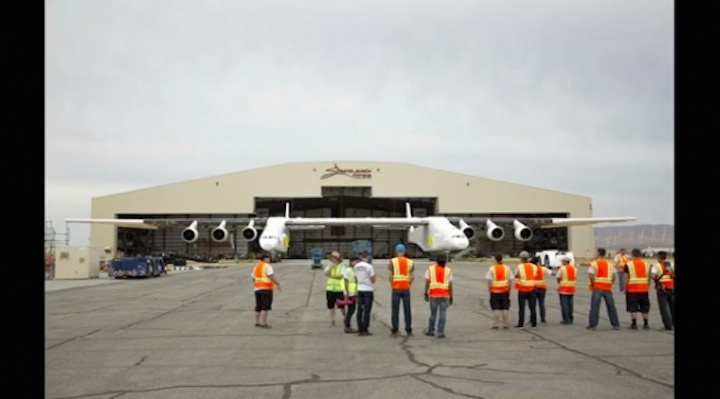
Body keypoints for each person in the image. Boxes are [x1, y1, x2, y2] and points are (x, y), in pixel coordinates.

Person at [586, 248, 621, 330]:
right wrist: (610, 283)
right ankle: (615, 324)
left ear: (598, 254)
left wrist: (593, 283)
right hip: (607, 287)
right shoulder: (610, 264)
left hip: (597, 287)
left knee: (595, 307)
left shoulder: (594, 264)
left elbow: (590, 275)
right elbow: (614, 277)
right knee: (611, 307)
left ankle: (593, 325)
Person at [424, 253, 453, 338]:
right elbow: (450, 285)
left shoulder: (430, 269)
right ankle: (440, 332)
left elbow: (427, 282)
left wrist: (426, 293)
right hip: (444, 295)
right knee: (443, 313)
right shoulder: (448, 271)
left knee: (433, 313)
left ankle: (431, 330)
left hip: (433, 294)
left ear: (436, 261)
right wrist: (451, 296)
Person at [389, 244, 415, 337]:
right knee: (407, 309)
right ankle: (408, 329)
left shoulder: (392, 261)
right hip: (406, 288)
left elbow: (390, 276)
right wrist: (408, 284)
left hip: (396, 288)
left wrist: (392, 285)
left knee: (395, 310)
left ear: (396, 251)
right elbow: (412, 277)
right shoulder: (410, 262)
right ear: (404, 251)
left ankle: (395, 329)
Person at [251, 251, 281, 328]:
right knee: (265, 306)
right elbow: (271, 277)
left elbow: (253, 277)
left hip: (257, 289)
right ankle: (264, 323)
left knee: (258, 306)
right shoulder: (268, 266)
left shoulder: (256, 266)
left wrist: (256, 284)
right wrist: (277, 284)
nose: (269, 259)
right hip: (266, 289)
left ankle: (257, 322)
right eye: (268, 258)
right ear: (265, 259)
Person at [624, 248, 652, 330]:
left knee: (633, 307)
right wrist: (647, 286)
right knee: (645, 306)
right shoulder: (647, 264)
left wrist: (625, 288)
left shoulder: (628, 264)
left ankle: (634, 324)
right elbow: (649, 277)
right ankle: (646, 324)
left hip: (632, 289)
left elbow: (626, 278)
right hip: (644, 289)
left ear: (632, 255)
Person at [485, 253, 514, 329]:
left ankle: (496, 324)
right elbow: (510, 280)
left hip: (495, 290)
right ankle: (506, 324)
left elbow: (489, 280)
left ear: (495, 259)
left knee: (496, 308)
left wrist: (489, 289)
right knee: (505, 308)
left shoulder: (491, 269)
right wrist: (509, 288)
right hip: (505, 290)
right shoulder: (507, 268)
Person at [514, 251, 538, 330]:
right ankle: (534, 324)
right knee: (532, 307)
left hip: (522, 289)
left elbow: (516, 274)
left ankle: (521, 324)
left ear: (521, 259)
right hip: (532, 289)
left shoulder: (519, 267)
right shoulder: (534, 266)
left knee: (522, 307)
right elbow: (536, 275)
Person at [650, 251, 674, 331]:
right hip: (671, 287)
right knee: (672, 307)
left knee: (664, 308)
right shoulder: (671, 264)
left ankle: (668, 325)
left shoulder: (656, 266)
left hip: (662, 288)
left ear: (659, 257)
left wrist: (656, 279)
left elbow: (653, 276)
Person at [353, 251, 376, 336]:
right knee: (367, 310)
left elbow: (355, 279)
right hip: (368, 289)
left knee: (359, 310)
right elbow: (373, 279)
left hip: (360, 289)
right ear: (368, 257)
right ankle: (365, 328)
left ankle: (360, 328)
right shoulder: (369, 267)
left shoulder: (356, 266)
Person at [324, 251, 347, 326]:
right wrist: (331, 267)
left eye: (334, 258)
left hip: (339, 289)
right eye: (332, 258)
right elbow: (325, 273)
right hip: (330, 288)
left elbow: (341, 276)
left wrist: (331, 276)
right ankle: (332, 319)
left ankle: (345, 317)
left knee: (341, 305)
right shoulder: (329, 265)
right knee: (331, 305)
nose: (333, 259)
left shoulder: (342, 266)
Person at [555, 256, 577, 324]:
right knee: (570, 304)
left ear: (565, 261)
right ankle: (570, 318)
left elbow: (558, 277)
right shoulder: (574, 268)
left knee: (564, 305)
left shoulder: (562, 269)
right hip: (571, 288)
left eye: (562, 261)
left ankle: (566, 319)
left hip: (563, 289)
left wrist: (560, 282)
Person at [532, 256, 553, 324]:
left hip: (534, 288)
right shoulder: (543, 269)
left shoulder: (532, 269)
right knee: (541, 304)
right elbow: (551, 273)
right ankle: (543, 318)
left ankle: (532, 318)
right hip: (542, 288)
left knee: (533, 304)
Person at [341, 257, 359, 333]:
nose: (356, 263)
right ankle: (347, 326)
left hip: (354, 293)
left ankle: (347, 324)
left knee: (352, 310)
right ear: (351, 262)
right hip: (350, 293)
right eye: (355, 261)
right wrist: (347, 293)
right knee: (351, 310)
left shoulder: (354, 270)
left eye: (357, 261)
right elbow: (346, 281)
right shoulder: (348, 270)